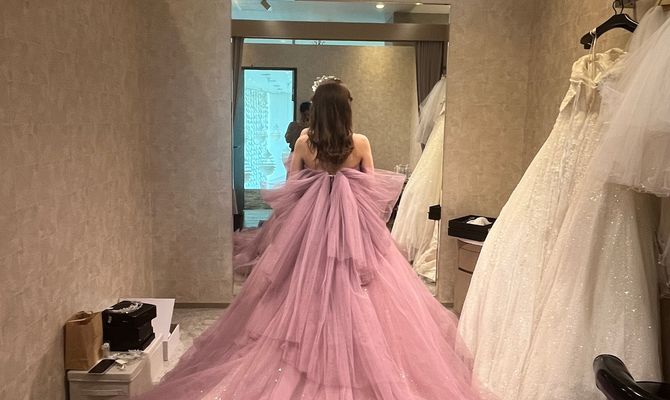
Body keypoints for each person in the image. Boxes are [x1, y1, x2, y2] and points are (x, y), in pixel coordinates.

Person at [136, 77, 483, 400]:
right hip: (353, 233)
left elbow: (291, 191)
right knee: (366, 293)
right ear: (345, 110)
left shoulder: (304, 143)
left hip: (310, 232)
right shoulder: (360, 143)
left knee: (302, 290)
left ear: (316, 110)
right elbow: (373, 192)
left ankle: (304, 352)